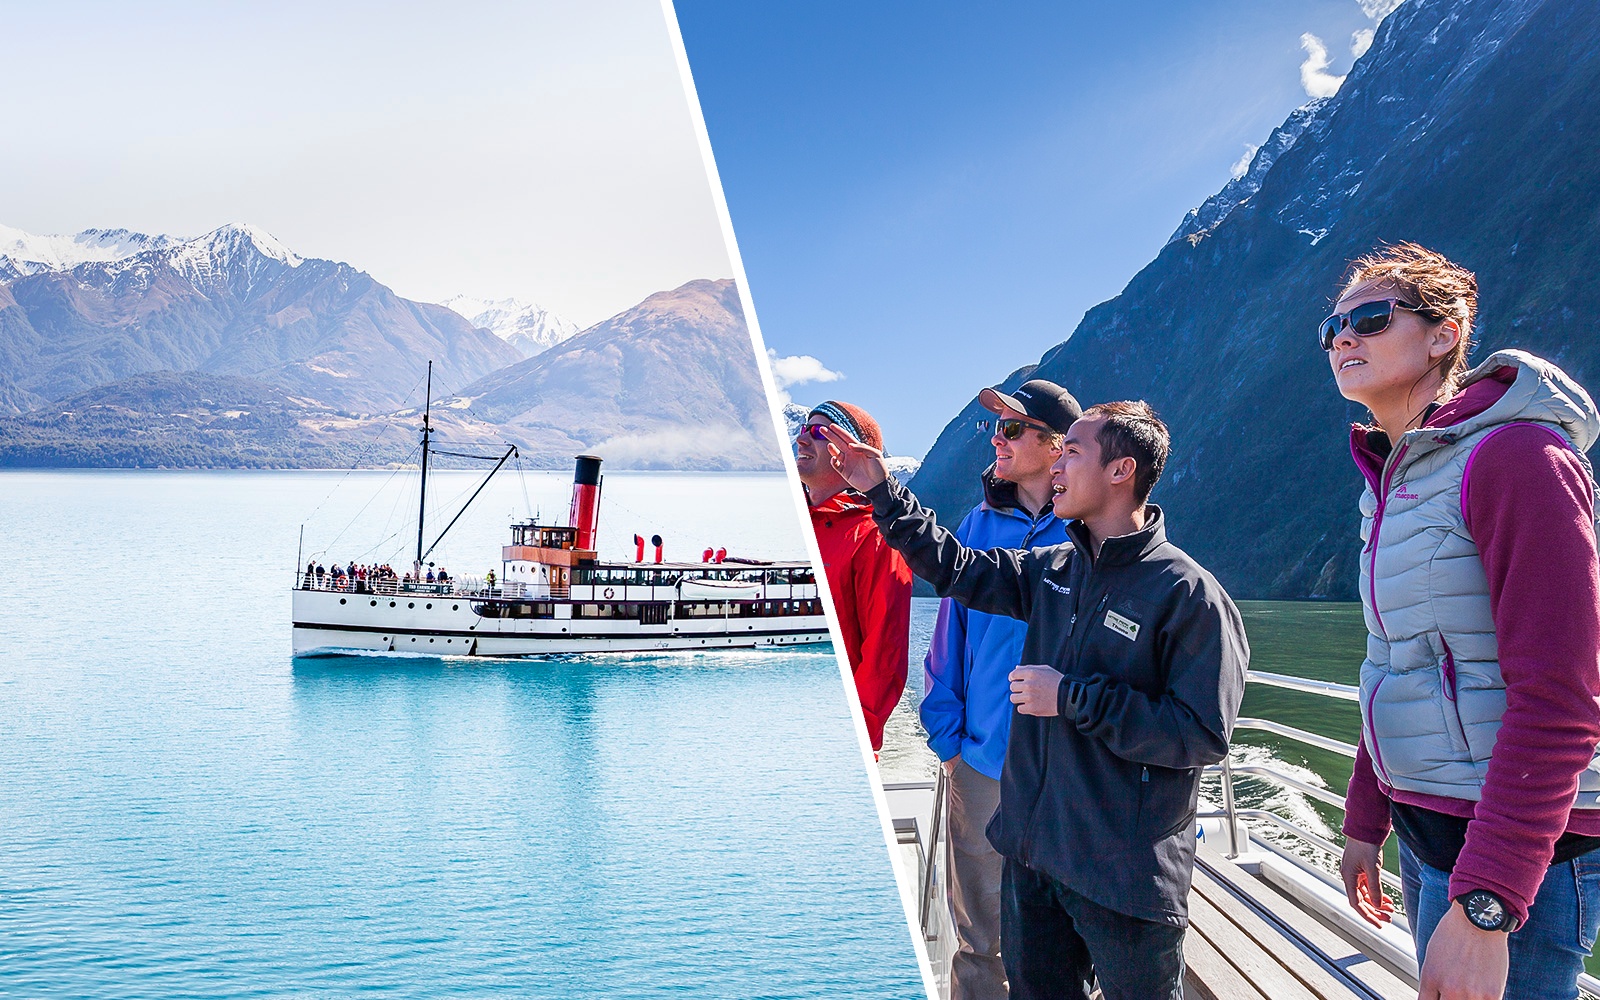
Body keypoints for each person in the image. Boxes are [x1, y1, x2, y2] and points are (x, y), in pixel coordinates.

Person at [819, 401, 1247, 1000]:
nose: (1059, 468)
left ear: (1121, 471)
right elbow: (956, 568)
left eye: (1073, 452)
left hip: (1121, 872)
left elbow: (1199, 735)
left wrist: (1070, 698)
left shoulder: (1189, 595)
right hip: (1035, 857)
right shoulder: (1054, 569)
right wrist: (882, 491)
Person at [1325, 243, 1600, 1000]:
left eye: (1371, 318)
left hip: (1525, 858)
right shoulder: (1393, 481)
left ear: (1444, 333)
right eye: (1334, 327)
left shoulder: (1517, 457)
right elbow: (1399, 662)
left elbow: (1564, 699)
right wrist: (1365, 817)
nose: (1343, 337)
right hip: (1431, 835)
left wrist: (1488, 904)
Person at [923, 379, 1079, 1000]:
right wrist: (949, 742)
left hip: (1067, 765)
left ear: (1055, 443)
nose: (997, 438)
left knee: (1063, 928)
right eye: (996, 427)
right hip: (982, 760)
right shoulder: (977, 525)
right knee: (979, 932)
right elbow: (948, 637)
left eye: (1013, 429)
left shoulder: (1088, 528)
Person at [795, 400, 913, 753]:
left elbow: (884, 657)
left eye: (818, 432)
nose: (801, 440)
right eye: (803, 430)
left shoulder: (876, 537)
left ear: (851, 453)